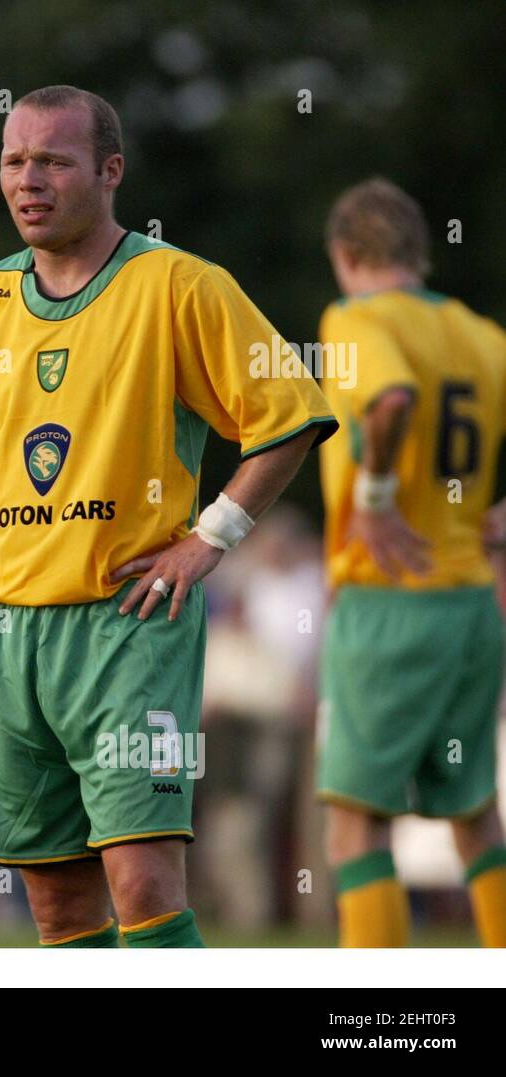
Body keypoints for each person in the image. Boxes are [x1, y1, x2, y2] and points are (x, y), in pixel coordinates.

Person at [0, 85, 336, 948]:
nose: (30, 180)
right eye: (14, 161)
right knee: (55, 900)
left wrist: (211, 539)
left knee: (142, 879)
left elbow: (288, 419)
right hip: (5, 633)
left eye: (54, 161)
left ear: (110, 170)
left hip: (129, 628)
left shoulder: (181, 285)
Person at [316, 177, 506, 947]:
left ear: (348, 254)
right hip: (470, 600)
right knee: (475, 817)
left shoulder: (355, 317)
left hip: (390, 599)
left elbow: (390, 399)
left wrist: (379, 496)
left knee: (356, 825)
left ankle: (379, 1019)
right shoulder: (482, 335)